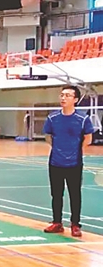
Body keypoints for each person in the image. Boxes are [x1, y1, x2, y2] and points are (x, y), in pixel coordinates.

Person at [42, 85, 94, 237]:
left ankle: (75, 224)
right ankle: (57, 222)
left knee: (75, 194)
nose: (63, 98)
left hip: (74, 163)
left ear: (75, 99)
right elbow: (47, 136)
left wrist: (75, 150)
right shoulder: (52, 118)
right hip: (55, 162)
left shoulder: (83, 119)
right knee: (56, 194)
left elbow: (88, 138)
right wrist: (58, 148)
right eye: (62, 95)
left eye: (67, 95)